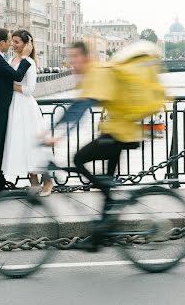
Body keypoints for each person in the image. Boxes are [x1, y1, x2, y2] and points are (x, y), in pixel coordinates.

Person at [45, 41, 141, 196]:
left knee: (78, 159)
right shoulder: (92, 74)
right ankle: (108, 208)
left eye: (75, 56)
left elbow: (80, 108)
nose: (71, 61)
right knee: (107, 187)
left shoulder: (97, 73)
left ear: (86, 57)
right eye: (70, 57)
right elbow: (75, 107)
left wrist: (56, 134)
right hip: (120, 130)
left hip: (120, 132)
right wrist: (54, 129)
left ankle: (104, 191)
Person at [0, 28, 33, 200]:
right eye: (9, 40)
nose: (11, 43)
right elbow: (17, 76)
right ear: (1, 42)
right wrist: (25, 56)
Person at [1, 29, 53, 196]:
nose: (13, 45)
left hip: (26, 107)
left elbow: (30, 89)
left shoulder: (29, 62)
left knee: (32, 143)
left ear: (26, 44)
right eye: (13, 41)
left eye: (17, 42)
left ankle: (47, 182)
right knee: (21, 143)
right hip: (14, 106)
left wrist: (10, 85)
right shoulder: (11, 59)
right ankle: (34, 182)